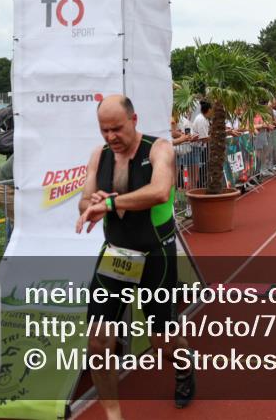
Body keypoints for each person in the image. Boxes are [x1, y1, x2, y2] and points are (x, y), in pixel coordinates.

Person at [75, 95, 194, 416]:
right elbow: (84, 203)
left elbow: (159, 191)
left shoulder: (159, 148)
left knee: (162, 343)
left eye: (117, 128)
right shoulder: (98, 156)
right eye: (104, 130)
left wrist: (112, 203)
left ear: (134, 120)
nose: (111, 136)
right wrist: (93, 204)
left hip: (156, 254)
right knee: (98, 343)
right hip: (116, 254)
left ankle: (184, 368)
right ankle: (114, 414)